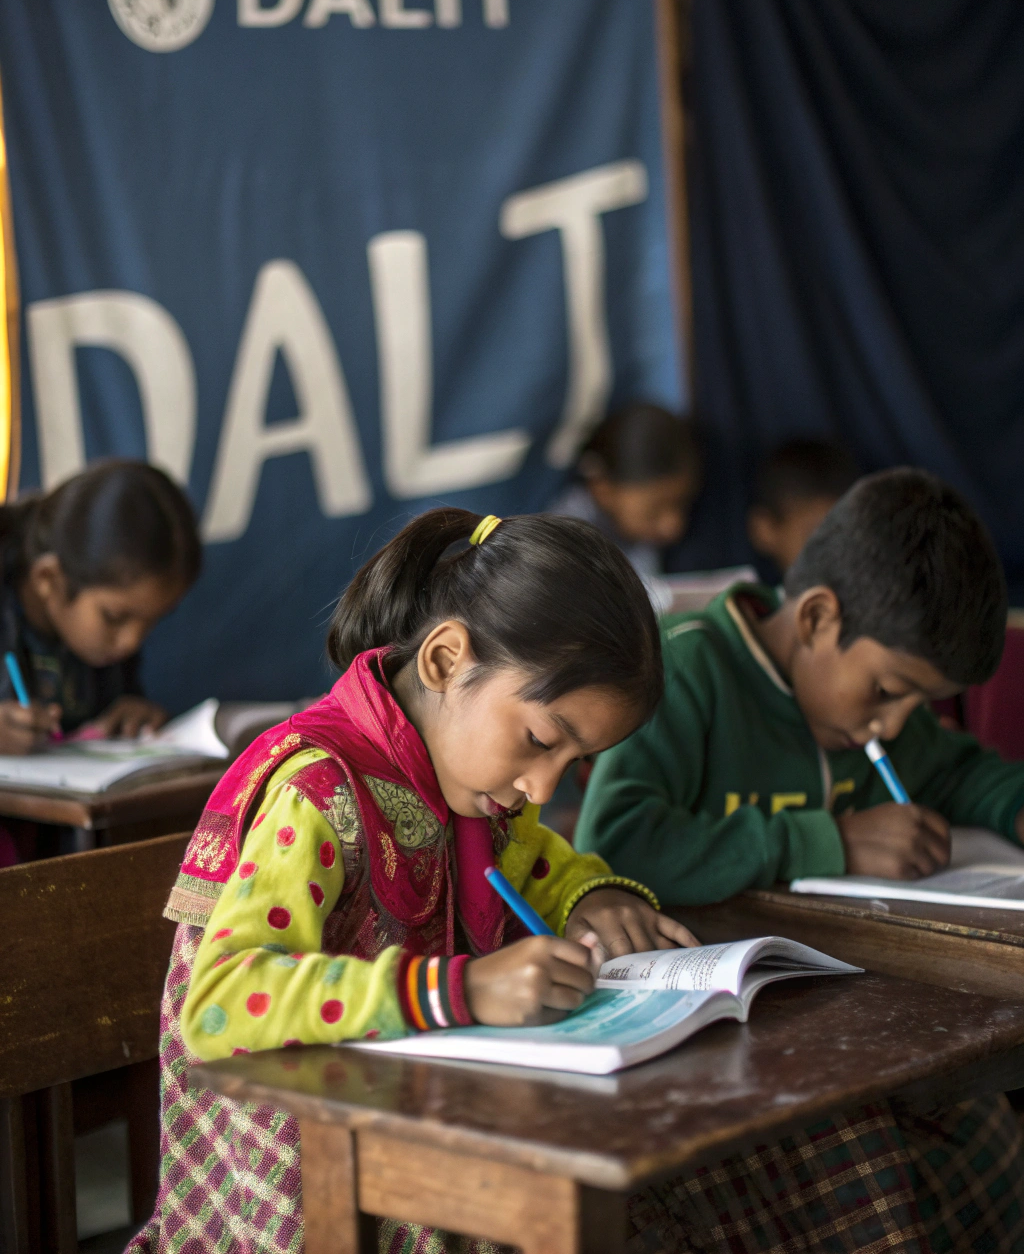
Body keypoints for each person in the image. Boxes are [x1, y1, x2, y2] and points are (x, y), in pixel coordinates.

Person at [131, 508, 698, 1254]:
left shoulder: (466, 779)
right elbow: (221, 1005)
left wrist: (591, 894)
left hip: (411, 1114)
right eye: (540, 740)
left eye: (573, 764)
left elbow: (536, 859)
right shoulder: (317, 790)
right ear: (443, 660)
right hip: (308, 1177)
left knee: (675, 1168)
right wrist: (457, 989)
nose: (540, 784)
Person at [577, 468, 1024, 1253]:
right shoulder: (687, 673)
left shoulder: (872, 718)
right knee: (865, 1176)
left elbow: (960, 768)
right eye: (888, 690)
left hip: (843, 1017)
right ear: (817, 616)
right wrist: (831, 840)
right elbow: (616, 842)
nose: (894, 723)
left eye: (916, 704)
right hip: (709, 1036)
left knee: (985, 1138)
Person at [0, 459, 201, 752]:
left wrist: (132, 715)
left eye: (151, 622)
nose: (131, 641)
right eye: (114, 617)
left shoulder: (104, 648)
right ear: (48, 579)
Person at [550, 402, 702, 586]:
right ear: (602, 488)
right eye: (653, 511)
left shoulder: (642, 538)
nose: (673, 526)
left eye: (682, 504)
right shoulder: (561, 545)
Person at [747, 436, 860, 578]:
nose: (832, 553)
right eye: (813, 537)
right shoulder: (743, 599)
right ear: (764, 529)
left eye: (841, 535)